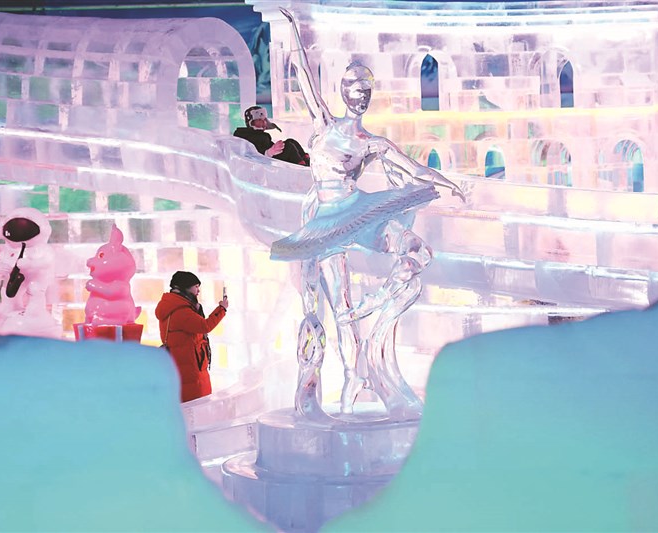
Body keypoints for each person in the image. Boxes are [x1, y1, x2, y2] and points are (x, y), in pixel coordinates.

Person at [271, 8, 466, 421]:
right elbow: (303, 76)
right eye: (354, 89)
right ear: (343, 92)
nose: (360, 96)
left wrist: (451, 184)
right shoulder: (323, 125)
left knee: (417, 251)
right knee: (338, 309)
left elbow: (414, 169)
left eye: (366, 91)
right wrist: (291, 28)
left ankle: (377, 306)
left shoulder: (373, 143)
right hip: (325, 220)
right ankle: (351, 379)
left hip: (357, 210)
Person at [155, 271, 228, 403]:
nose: (198, 291)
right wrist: (222, 309)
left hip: (184, 364)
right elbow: (205, 326)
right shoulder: (181, 311)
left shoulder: (174, 306)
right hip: (189, 369)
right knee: (196, 406)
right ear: (185, 287)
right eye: (196, 287)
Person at [233, 105, 310, 166]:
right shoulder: (249, 136)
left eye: (264, 120)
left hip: (273, 154)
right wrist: (269, 152)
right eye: (259, 120)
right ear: (251, 122)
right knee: (289, 146)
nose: (264, 122)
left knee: (291, 141)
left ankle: (306, 160)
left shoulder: (261, 134)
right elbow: (255, 152)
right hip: (269, 159)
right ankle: (301, 165)